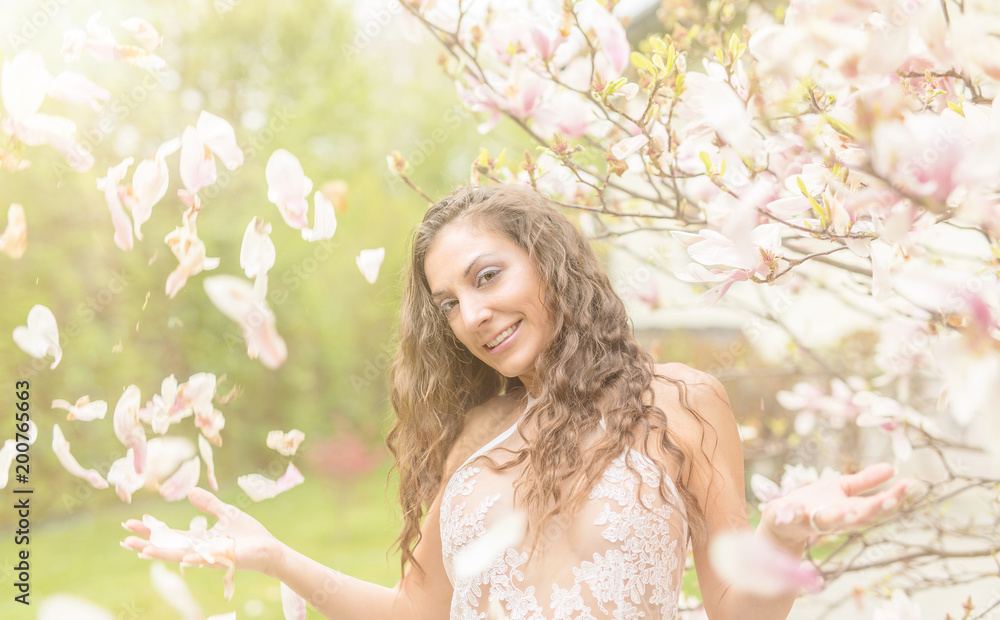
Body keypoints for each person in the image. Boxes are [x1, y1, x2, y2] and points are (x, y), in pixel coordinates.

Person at [122, 184, 910, 619]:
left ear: (550, 265)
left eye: (487, 277)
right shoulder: (475, 436)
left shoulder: (679, 403)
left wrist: (782, 534)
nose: (471, 314)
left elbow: (736, 611)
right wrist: (279, 560)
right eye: (449, 303)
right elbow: (415, 613)